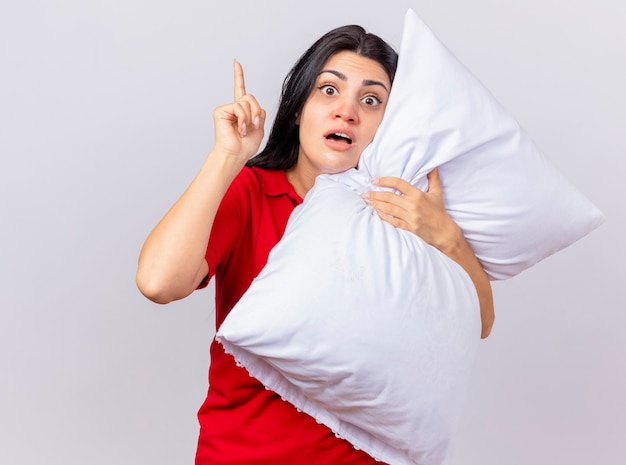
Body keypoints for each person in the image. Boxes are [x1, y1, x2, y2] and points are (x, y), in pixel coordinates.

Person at [137, 24, 494, 465]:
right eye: (329, 91)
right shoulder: (252, 192)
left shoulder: (399, 208)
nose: (347, 112)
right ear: (297, 110)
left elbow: (477, 321)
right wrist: (227, 156)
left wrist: (446, 237)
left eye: (371, 100)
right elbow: (158, 282)